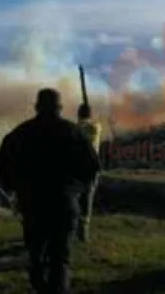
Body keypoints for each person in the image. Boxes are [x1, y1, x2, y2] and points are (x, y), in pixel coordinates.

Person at [0, 88, 100, 294]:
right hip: (64, 203)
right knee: (60, 260)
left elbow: (3, 164)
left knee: (37, 257)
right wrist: (75, 190)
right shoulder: (74, 132)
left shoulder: (19, 134)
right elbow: (92, 167)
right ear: (60, 108)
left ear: (36, 107)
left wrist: (14, 188)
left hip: (32, 204)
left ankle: (41, 286)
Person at [75, 103, 103, 243]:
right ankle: (83, 233)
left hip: (75, 168)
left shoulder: (74, 128)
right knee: (87, 200)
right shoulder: (95, 127)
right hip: (91, 168)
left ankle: (72, 230)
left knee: (75, 199)